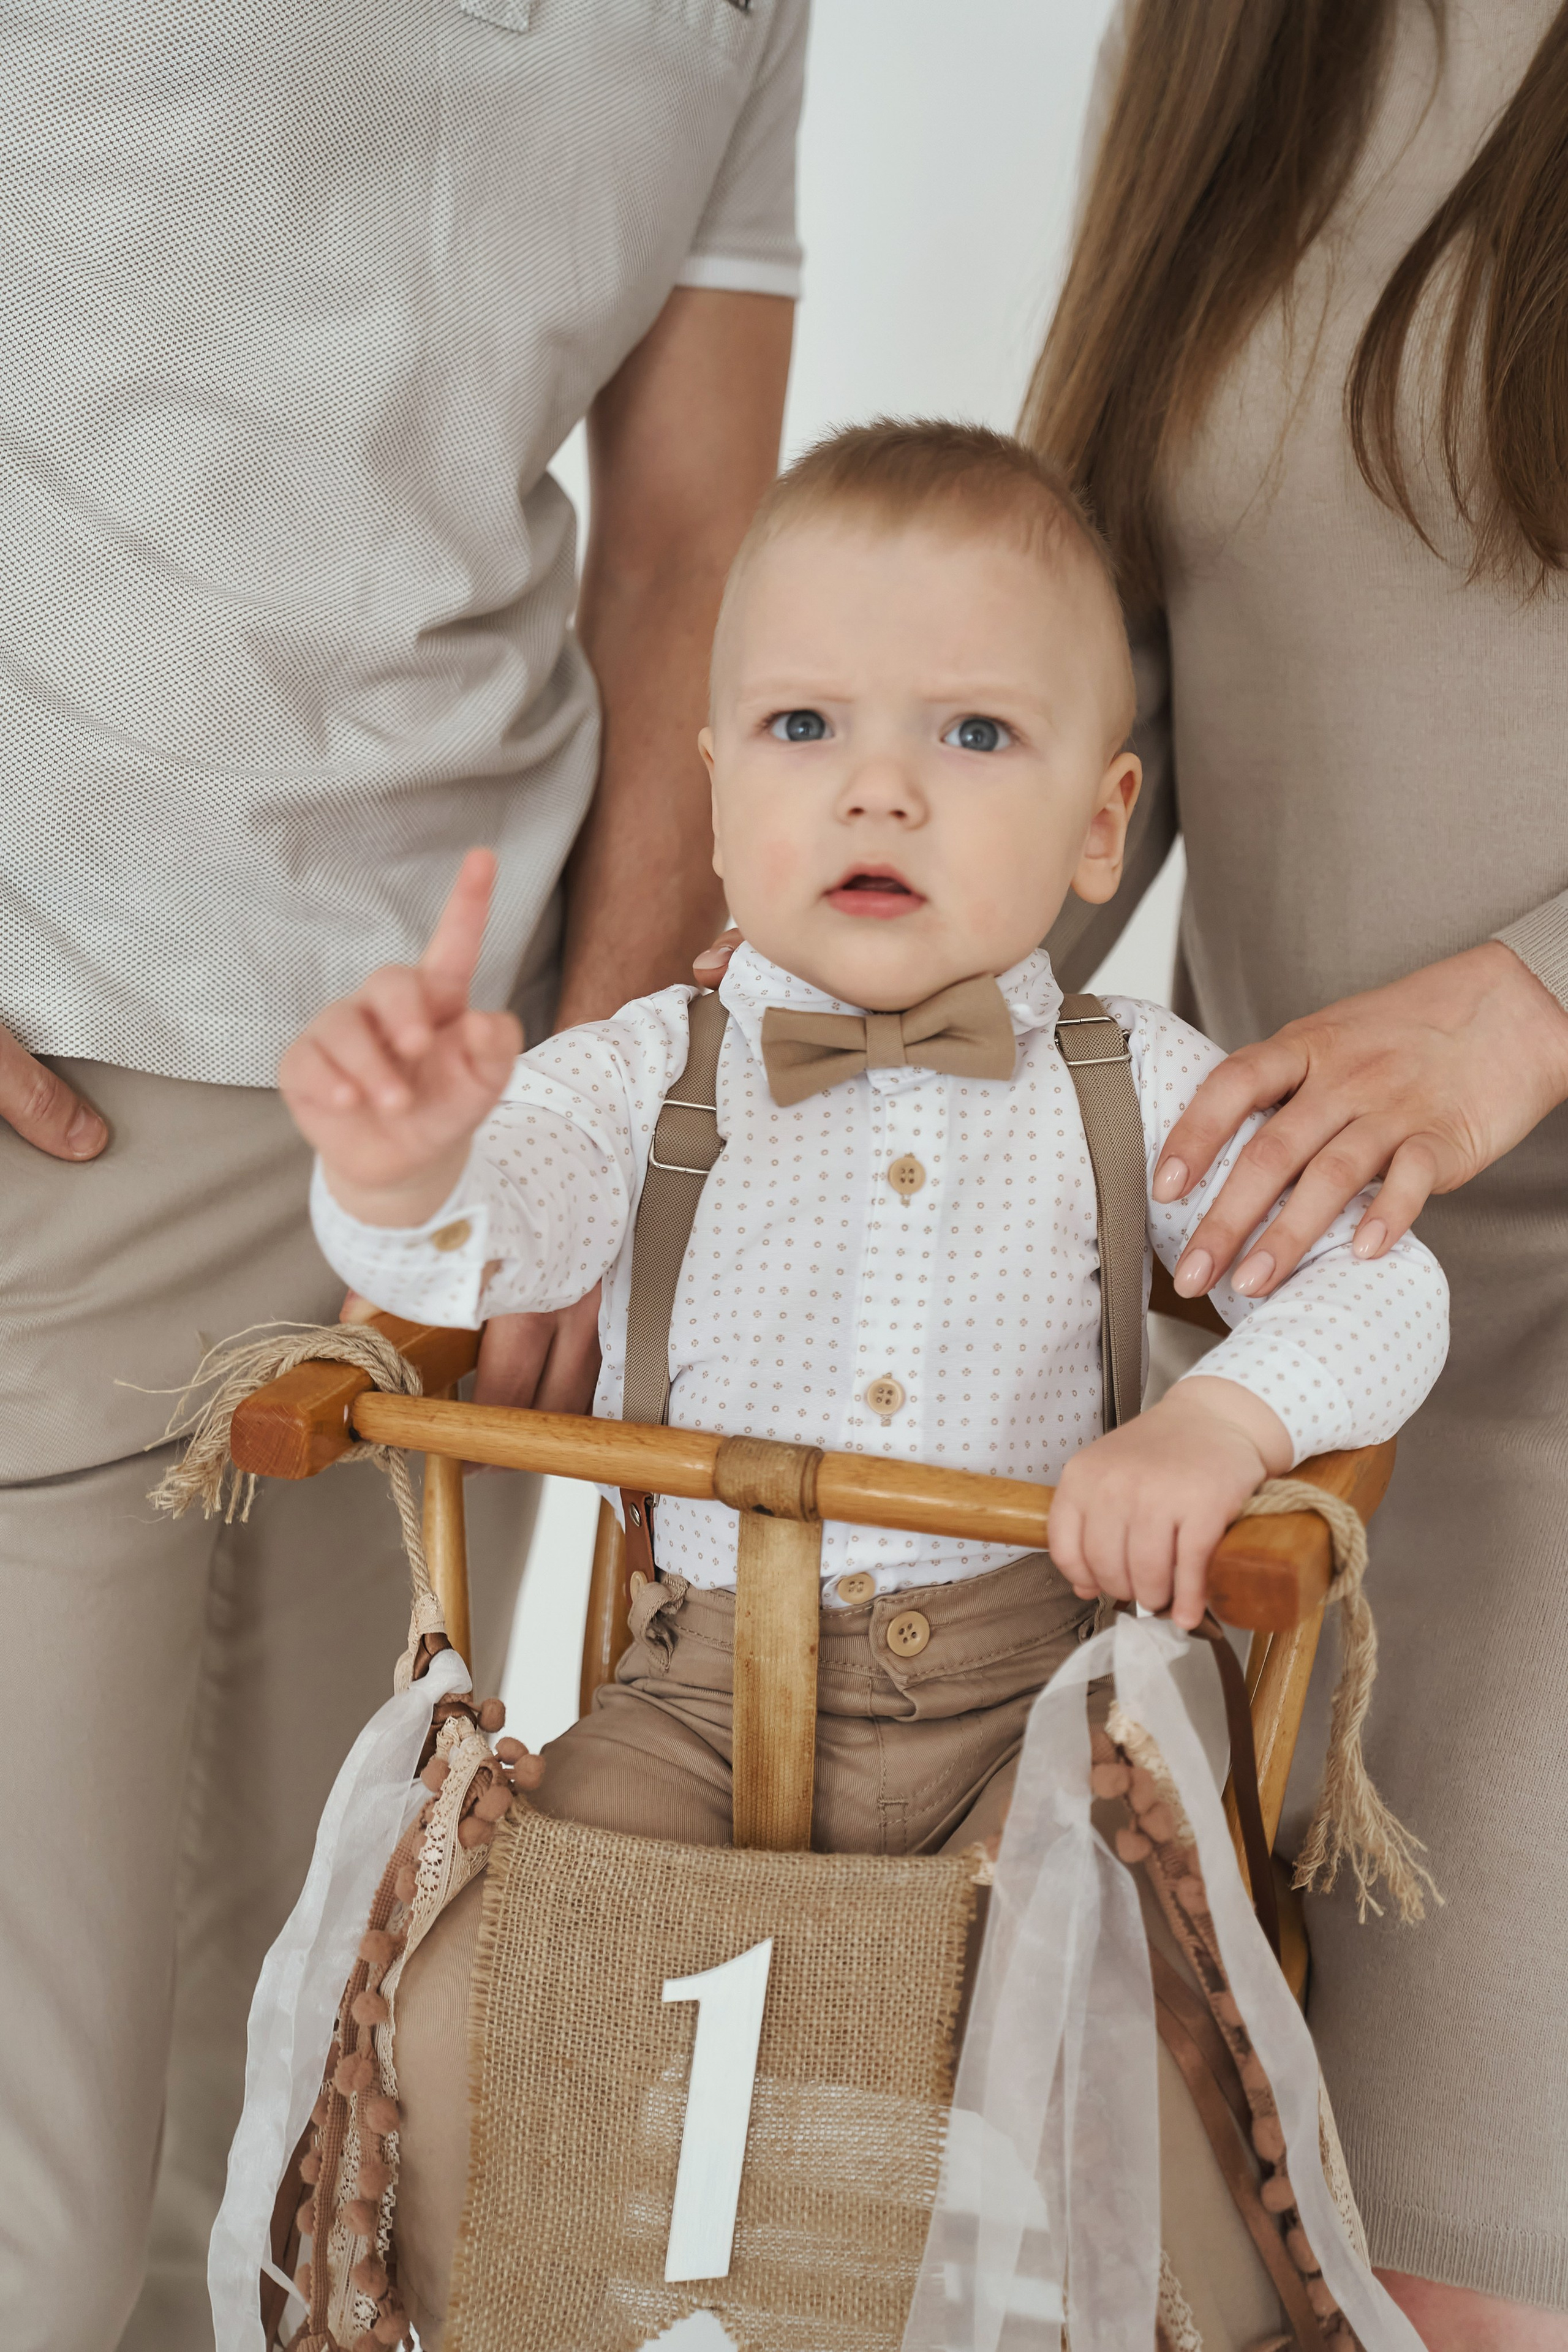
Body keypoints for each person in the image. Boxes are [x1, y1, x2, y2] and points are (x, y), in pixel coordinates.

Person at [281, 420, 1449, 2344]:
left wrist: (1216, 1418)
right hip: (684, 1677)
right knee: (489, 2003)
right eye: (809, 729)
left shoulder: (1136, 1078)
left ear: (1103, 821)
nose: (883, 790)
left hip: (1023, 1705)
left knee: (1103, 2051)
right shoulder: (647, 1064)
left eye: (974, 736)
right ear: (720, 787)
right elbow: (491, 1242)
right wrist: (403, 1165)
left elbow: (1377, 1283)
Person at [0, 5, 807, 2345]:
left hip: (468, 1120)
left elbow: (689, 548)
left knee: (309, 2131)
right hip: (64, 1070)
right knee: (32, 2212)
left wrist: (623, 1101)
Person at [1022, 4, 1568, 2345]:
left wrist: (1528, 999)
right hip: (1275, 1350)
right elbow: (1091, 676)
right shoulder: (1241, 33)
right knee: (1185, 2260)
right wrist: (760, 1082)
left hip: (1536, 1388)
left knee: (1449, 2255)